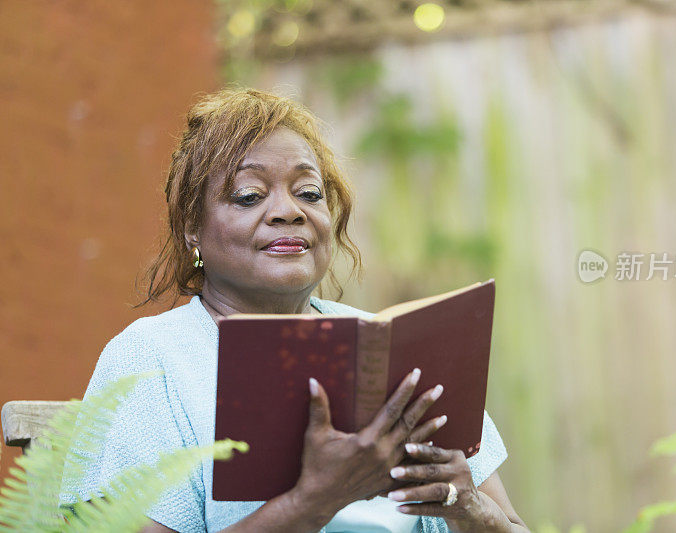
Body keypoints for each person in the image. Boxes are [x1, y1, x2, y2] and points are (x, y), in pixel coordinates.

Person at [61, 88, 529, 533]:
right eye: (249, 195)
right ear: (191, 228)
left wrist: (466, 505)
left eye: (308, 193)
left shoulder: (391, 348)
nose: (289, 211)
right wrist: (315, 499)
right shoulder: (150, 361)